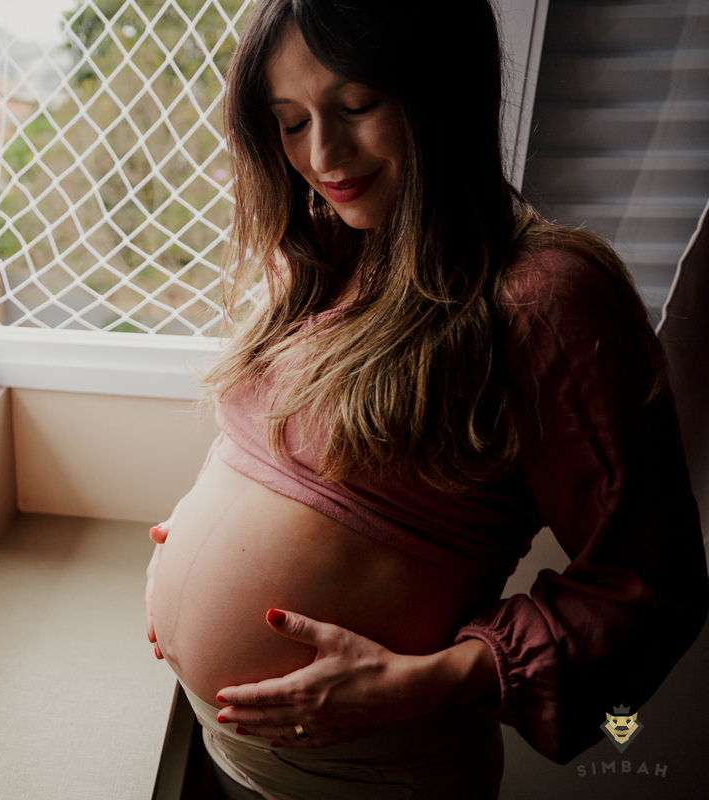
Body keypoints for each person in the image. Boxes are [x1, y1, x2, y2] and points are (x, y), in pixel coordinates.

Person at [142, 1, 709, 798]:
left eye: (356, 106)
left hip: (370, 772)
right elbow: (276, 450)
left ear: (443, 92)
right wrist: (185, 543)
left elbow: (651, 581)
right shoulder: (326, 259)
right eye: (290, 120)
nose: (322, 154)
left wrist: (426, 681)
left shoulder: (547, 299)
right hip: (235, 752)